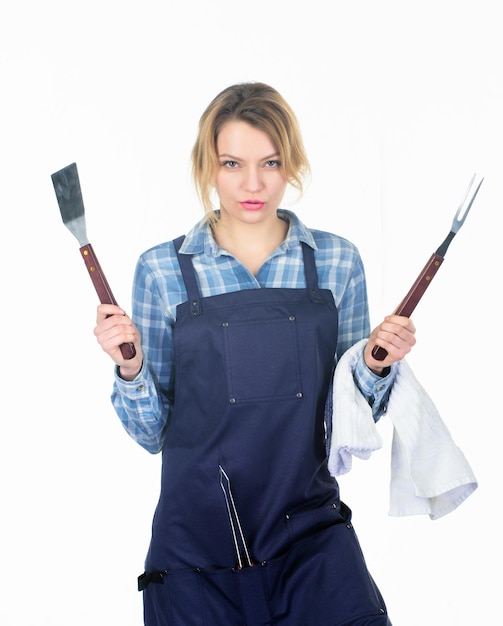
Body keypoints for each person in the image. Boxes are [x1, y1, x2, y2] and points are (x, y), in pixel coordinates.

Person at [94, 82, 416, 625]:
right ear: (208, 166)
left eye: (270, 162)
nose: (252, 184)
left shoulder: (335, 262)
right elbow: (153, 433)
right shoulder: (161, 270)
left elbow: (351, 421)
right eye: (231, 163)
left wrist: (378, 365)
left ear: (291, 163)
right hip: (195, 546)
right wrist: (129, 368)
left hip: (309, 535)